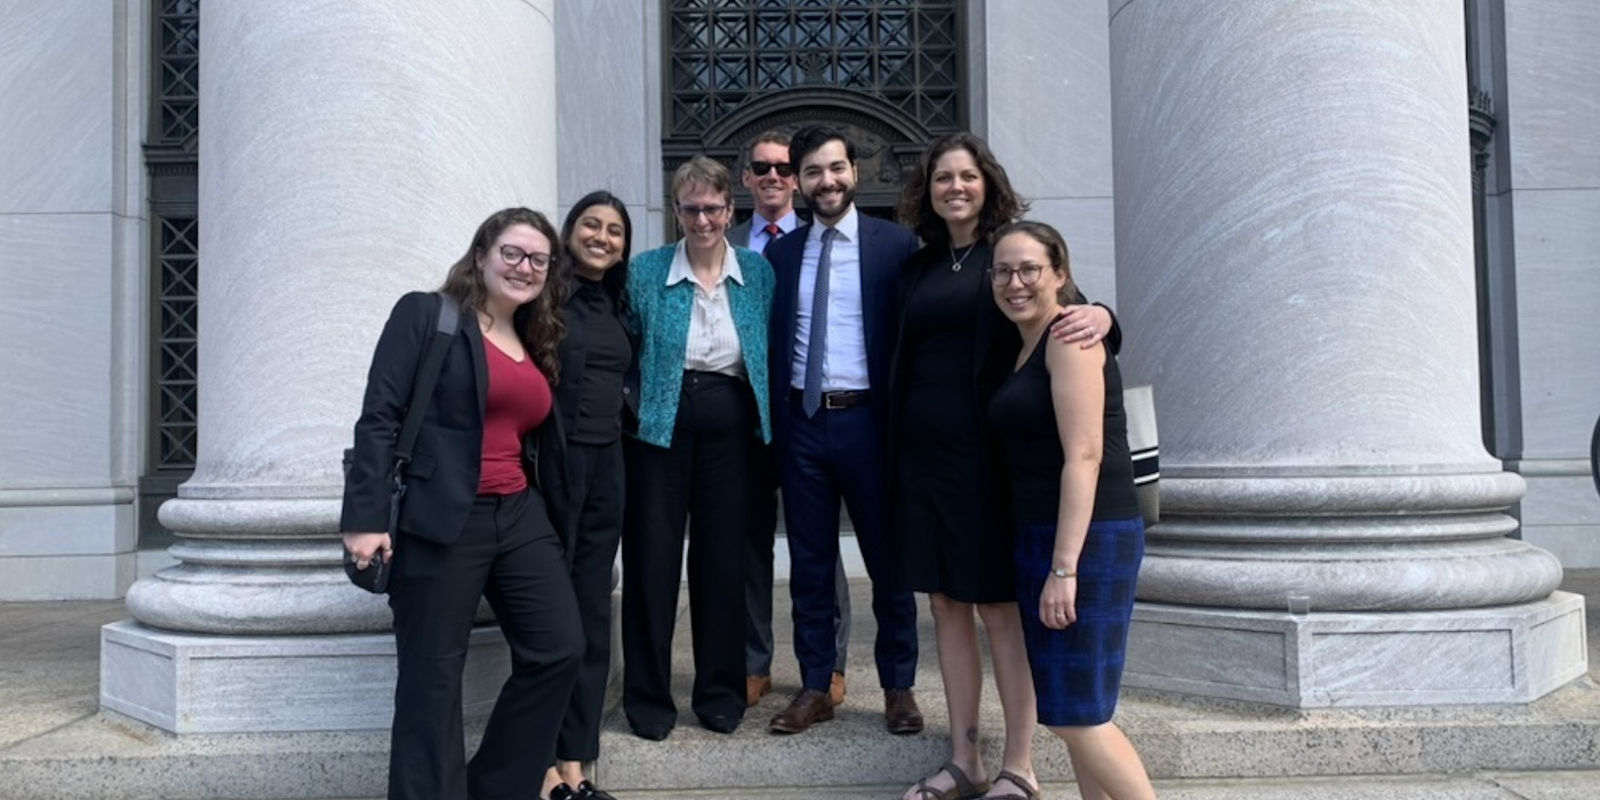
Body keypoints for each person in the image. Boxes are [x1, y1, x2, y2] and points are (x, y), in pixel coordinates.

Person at [891, 133, 1115, 800]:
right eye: (941, 178)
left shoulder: (1011, 258)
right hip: (920, 460)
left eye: (966, 176)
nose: (954, 187)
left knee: (998, 610)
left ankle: (1020, 764)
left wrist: (1108, 315)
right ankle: (966, 760)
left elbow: (1073, 318)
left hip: (984, 460)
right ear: (927, 190)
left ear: (987, 182)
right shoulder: (918, 266)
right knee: (945, 604)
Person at [341, 207, 581, 800]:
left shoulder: (534, 337)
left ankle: (494, 787)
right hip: (441, 516)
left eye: (538, 260)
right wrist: (365, 519)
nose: (524, 267)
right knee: (433, 679)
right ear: (481, 255)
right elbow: (379, 417)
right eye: (512, 253)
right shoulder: (427, 314)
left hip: (519, 513)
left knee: (559, 648)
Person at [986, 221, 1156, 800]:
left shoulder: (1069, 336)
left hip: (1087, 539)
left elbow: (1084, 457)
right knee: (1073, 708)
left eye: (1030, 269)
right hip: (1046, 534)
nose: (1015, 282)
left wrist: (1065, 568)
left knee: (1075, 716)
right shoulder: (1029, 341)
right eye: (1003, 271)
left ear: (1060, 274)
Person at [764, 125, 923, 736]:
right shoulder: (780, 256)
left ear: (854, 171)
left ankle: (898, 686)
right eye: (812, 172)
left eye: (835, 169)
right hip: (803, 424)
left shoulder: (897, 246)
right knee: (809, 563)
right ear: (797, 183)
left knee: (889, 562)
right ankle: (814, 683)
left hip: (871, 424)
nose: (825, 181)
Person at [620, 155, 775, 740]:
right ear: (676, 212)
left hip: (733, 423)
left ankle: (718, 692)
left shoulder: (758, 273)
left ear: (730, 210)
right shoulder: (646, 271)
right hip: (659, 425)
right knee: (652, 563)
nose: (703, 219)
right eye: (691, 208)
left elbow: (767, 350)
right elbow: (625, 344)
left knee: (722, 562)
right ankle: (648, 700)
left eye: (713, 208)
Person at [728, 130, 852, 709]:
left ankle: (830, 665)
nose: (775, 176)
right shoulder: (718, 239)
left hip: (813, 414)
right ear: (747, 178)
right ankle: (754, 663)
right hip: (749, 417)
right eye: (764, 168)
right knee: (752, 543)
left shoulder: (819, 242)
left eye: (785, 168)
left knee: (818, 545)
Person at [543, 192, 634, 800]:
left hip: (608, 467)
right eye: (591, 226)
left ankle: (578, 766)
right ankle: (545, 764)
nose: (602, 237)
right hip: (552, 467)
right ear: (570, 231)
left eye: (615, 231)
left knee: (593, 618)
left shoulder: (620, 303)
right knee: (550, 623)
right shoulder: (543, 301)